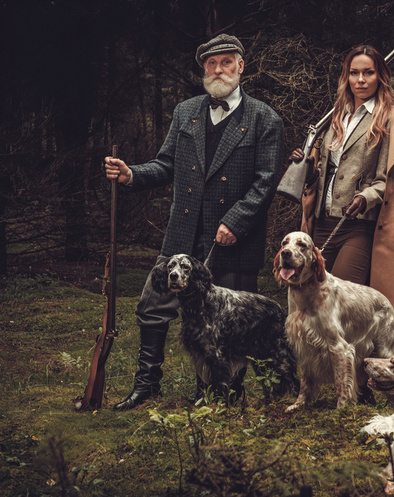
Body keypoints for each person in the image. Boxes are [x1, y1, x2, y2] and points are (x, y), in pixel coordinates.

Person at [104, 34, 285, 410]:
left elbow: (266, 181)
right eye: (211, 63)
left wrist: (235, 221)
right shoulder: (185, 111)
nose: (218, 69)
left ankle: (223, 392)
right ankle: (147, 383)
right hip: (184, 233)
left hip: (233, 238)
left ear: (240, 66)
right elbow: (166, 164)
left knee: (230, 321)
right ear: (204, 68)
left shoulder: (264, 118)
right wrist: (131, 175)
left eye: (226, 62)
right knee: (152, 308)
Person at [293, 44, 394, 321]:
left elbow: (385, 179)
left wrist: (366, 197)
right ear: (346, 77)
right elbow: (323, 173)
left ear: (380, 77)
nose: (361, 80)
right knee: (307, 301)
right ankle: (313, 365)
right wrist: (305, 165)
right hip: (322, 221)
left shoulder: (388, 119)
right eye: (354, 73)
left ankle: (350, 364)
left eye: (368, 73)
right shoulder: (336, 117)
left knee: (338, 308)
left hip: (358, 227)